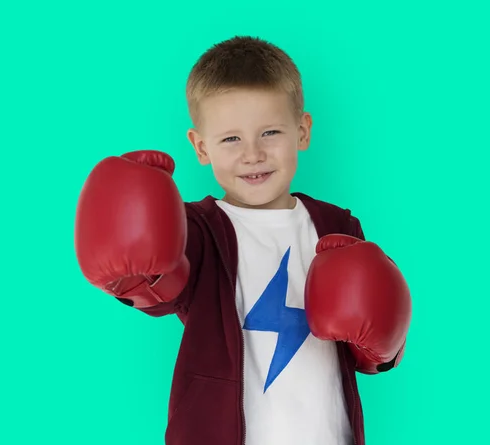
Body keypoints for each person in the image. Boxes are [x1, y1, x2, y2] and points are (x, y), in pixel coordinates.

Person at [74, 36, 412, 445]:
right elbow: (162, 289)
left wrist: (382, 345)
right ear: (201, 147)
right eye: (231, 139)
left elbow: (371, 348)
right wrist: (131, 273)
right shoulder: (197, 229)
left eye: (270, 132)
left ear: (302, 131)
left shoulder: (336, 226)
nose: (253, 154)